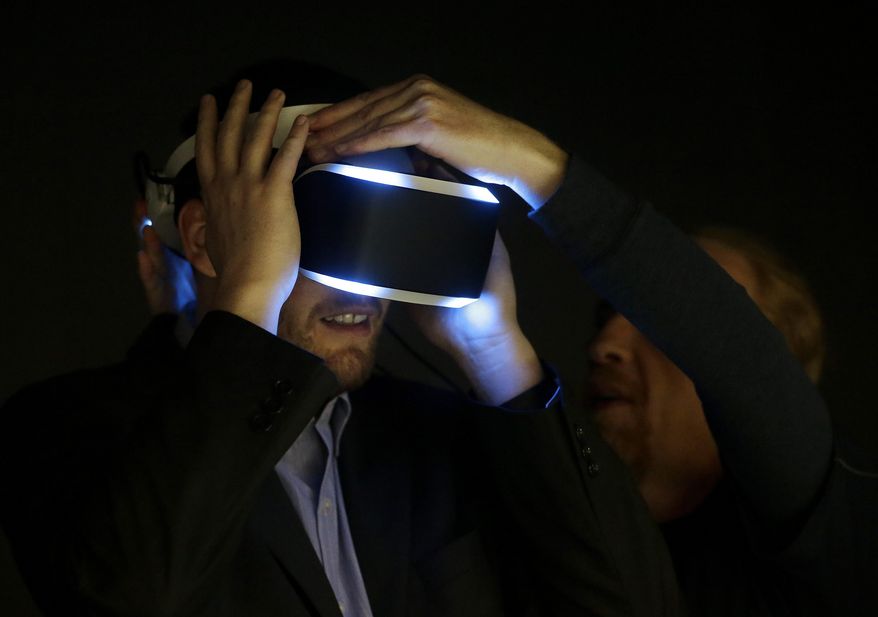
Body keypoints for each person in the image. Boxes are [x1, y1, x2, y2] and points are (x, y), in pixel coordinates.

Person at [0, 64, 679, 616]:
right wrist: (246, 306)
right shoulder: (63, 426)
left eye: (386, 232)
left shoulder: (436, 441)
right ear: (208, 239)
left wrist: (497, 351)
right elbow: (125, 595)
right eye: (329, 228)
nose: (364, 283)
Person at [300, 75, 877, 614]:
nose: (605, 345)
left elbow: (744, 362)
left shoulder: (827, 541)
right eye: (608, 317)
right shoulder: (498, 507)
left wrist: (539, 169)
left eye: (658, 324)